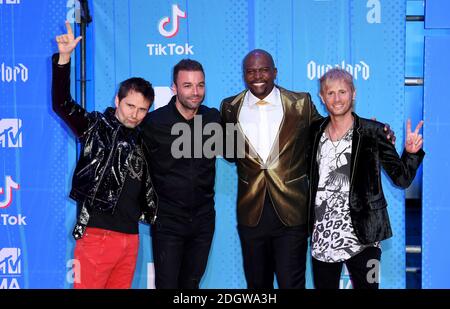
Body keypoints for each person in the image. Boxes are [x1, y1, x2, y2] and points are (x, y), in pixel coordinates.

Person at [52, 21, 157, 289]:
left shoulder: (145, 140)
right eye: (130, 105)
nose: (134, 114)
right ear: (117, 101)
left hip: (131, 239)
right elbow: (61, 104)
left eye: (142, 109)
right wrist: (64, 60)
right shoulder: (94, 127)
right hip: (97, 236)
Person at [308, 68, 424, 289]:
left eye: (342, 91)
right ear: (322, 97)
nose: (337, 98)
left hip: (367, 237)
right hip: (323, 237)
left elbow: (401, 179)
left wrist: (411, 152)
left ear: (354, 93)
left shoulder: (374, 131)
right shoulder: (314, 132)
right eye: (330, 93)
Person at [220, 49, 322, 288]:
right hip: (251, 212)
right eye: (251, 71)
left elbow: (327, 134)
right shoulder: (229, 107)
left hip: (292, 211)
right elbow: (231, 153)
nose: (258, 76)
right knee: (256, 287)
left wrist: (365, 130)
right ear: (244, 75)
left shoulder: (301, 103)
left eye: (264, 70)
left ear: (275, 72)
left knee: (292, 283)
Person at [141, 59, 221, 288]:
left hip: (203, 220)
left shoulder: (213, 119)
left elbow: (238, 153)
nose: (195, 92)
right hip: (167, 221)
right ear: (174, 88)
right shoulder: (154, 123)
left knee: (191, 285)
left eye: (200, 85)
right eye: (187, 85)